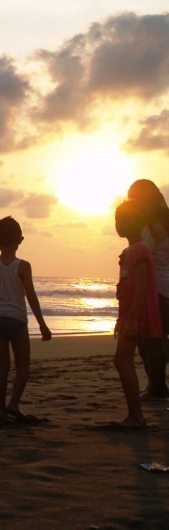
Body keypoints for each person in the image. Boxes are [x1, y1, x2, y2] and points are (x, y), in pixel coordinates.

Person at [0, 216, 53, 422]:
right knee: (23, 366)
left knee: (2, 365)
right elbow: (31, 296)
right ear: (20, 239)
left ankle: (1, 409)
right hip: (17, 320)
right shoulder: (23, 266)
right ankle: (14, 403)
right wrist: (42, 325)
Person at [109, 199, 162, 430]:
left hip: (137, 315)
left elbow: (141, 286)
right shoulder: (129, 251)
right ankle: (134, 414)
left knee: (122, 360)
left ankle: (136, 416)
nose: (119, 224)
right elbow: (126, 289)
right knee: (124, 360)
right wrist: (121, 319)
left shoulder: (140, 249)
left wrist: (131, 319)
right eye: (117, 220)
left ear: (138, 222)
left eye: (124, 219)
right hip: (130, 314)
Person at [127, 179, 169, 399]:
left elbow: (144, 256)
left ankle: (157, 386)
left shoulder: (146, 225)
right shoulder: (165, 221)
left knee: (151, 339)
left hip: (156, 288)